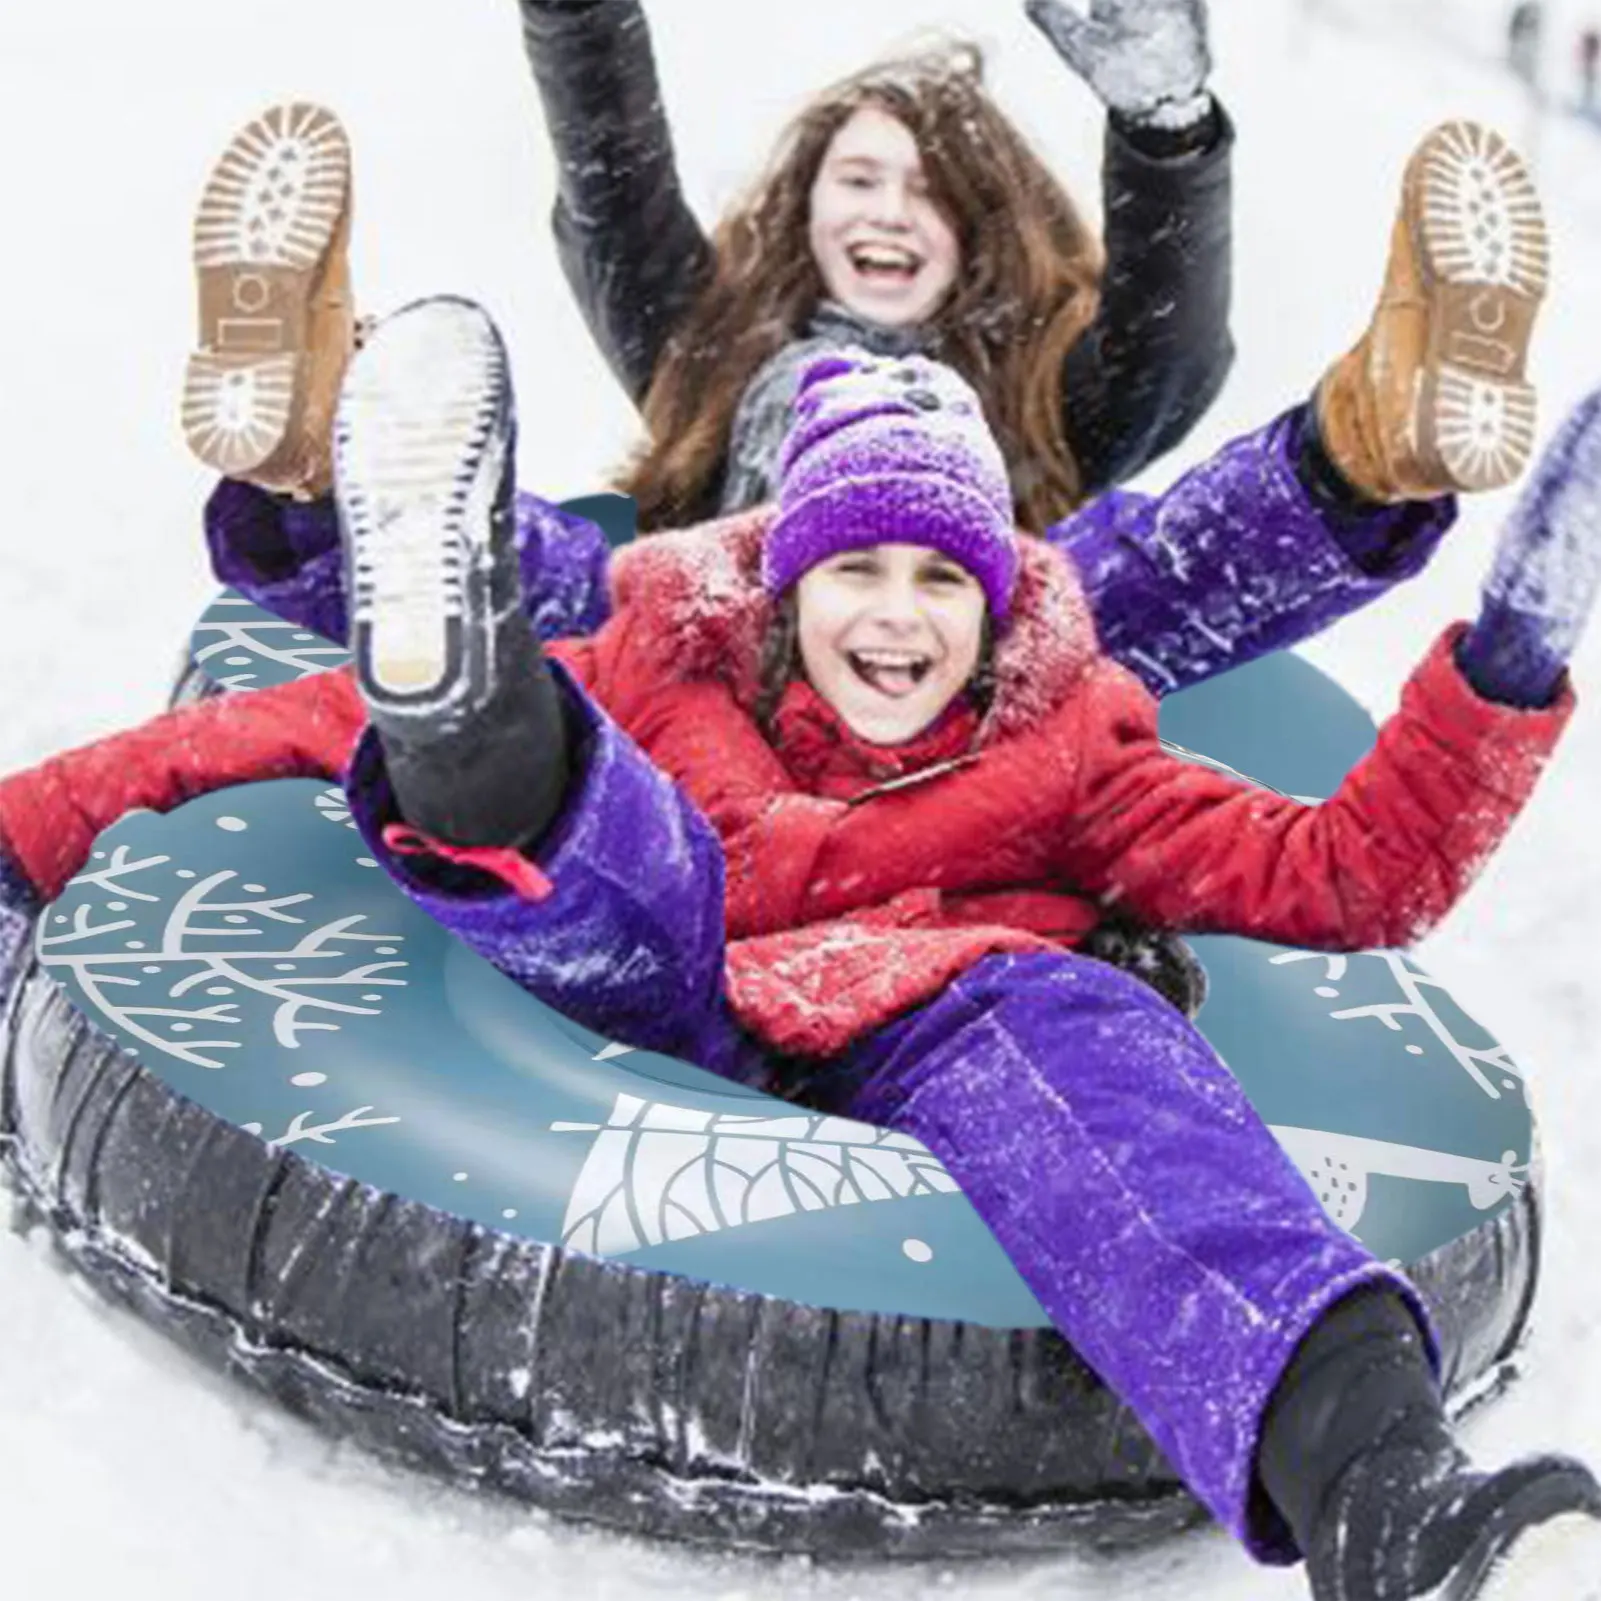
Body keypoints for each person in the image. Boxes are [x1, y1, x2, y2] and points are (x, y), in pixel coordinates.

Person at [6, 300, 1601, 1599]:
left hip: (946, 1021)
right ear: (785, 582)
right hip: (669, 976)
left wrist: (1512, 661)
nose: (897, 616)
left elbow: (1350, 878)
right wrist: (24, 840)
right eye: (855, 567)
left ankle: (1403, 1514)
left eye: (940, 578)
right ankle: (468, 692)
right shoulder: (668, 662)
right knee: (616, 834)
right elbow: (290, 722)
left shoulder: (1076, 752)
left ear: (996, 603)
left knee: (1094, 1053)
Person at [190, 104, 1548, 700]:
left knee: (1095, 596)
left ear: (989, 228)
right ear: (804, 204)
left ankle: (1387, 426)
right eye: (858, 176)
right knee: (537, 576)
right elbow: (613, 180)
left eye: (928, 186)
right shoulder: (718, 337)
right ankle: (320, 435)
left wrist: (1167, 126)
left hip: (968, 676)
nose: (889, 207)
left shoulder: (1044, 378)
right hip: (698, 639)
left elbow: (1169, 340)